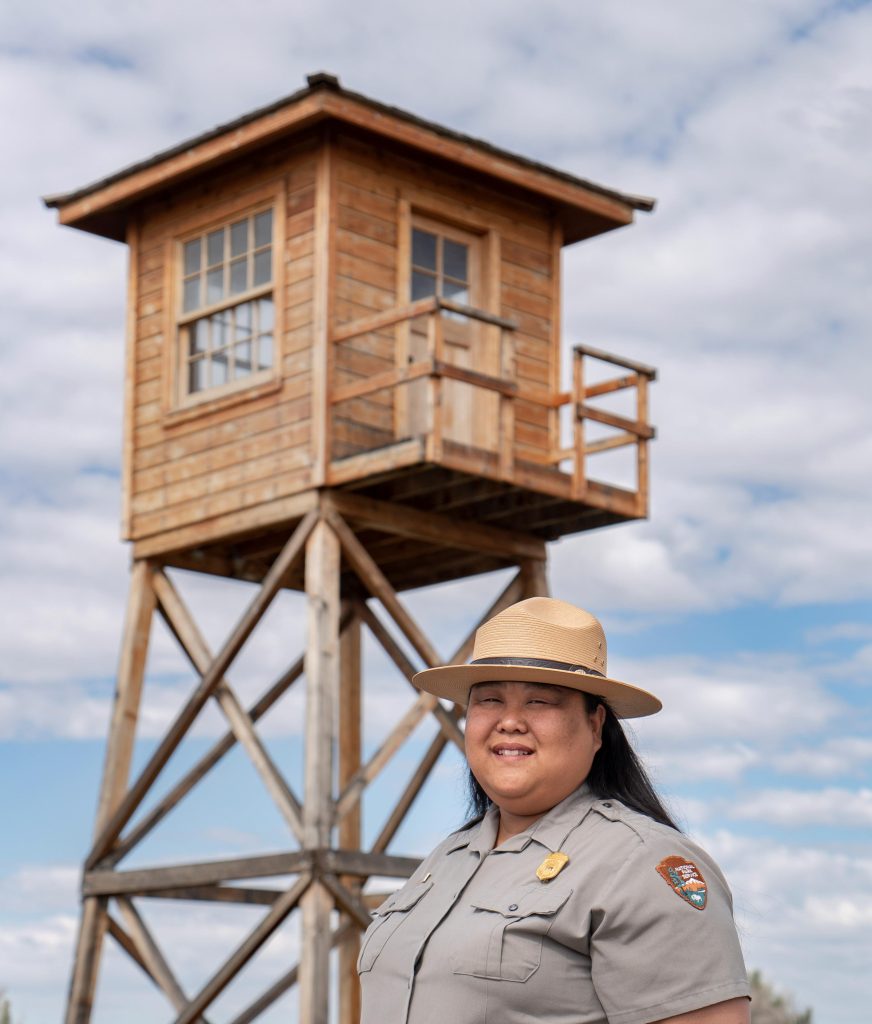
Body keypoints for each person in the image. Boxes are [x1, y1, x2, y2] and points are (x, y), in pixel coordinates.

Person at [357, 597, 751, 1024]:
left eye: (539, 701)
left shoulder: (640, 863)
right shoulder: (446, 859)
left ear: (596, 725)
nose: (509, 721)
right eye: (488, 700)